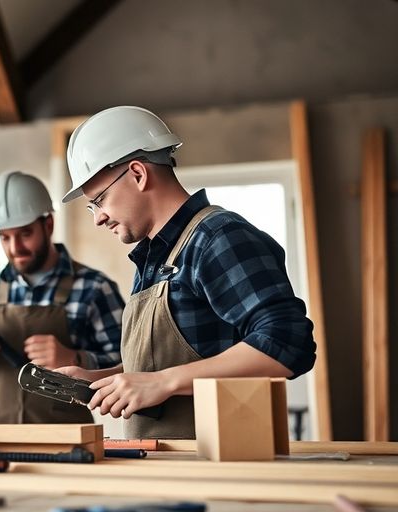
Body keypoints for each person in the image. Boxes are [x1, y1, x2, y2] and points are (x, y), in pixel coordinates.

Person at [57, 106, 317, 438]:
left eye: (101, 199)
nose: (98, 218)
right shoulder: (155, 257)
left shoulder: (218, 238)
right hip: (168, 471)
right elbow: (163, 367)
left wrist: (163, 383)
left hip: (222, 470)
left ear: (138, 173)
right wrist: (99, 379)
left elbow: (287, 343)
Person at [0, 171, 125, 424]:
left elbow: (129, 362)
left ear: (48, 224)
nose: (14, 248)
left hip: (65, 441)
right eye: (5, 237)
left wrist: (76, 359)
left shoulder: (94, 288)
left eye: (25, 234)